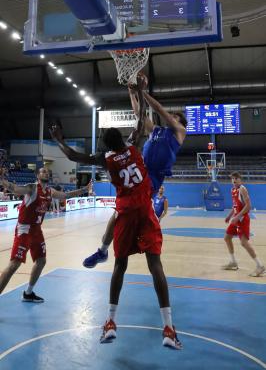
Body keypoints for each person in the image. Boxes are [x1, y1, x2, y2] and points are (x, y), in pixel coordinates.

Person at [51, 124, 182, 349]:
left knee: (120, 266)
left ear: (105, 145)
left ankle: (110, 322)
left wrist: (58, 140)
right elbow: (140, 122)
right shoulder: (132, 146)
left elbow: (73, 155)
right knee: (155, 265)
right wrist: (139, 91)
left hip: (125, 214)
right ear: (121, 138)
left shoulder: (105, 158)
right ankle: (168, 328)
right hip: (145, 211)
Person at [83, 74, 187, 268]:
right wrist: (132, 93)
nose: (171, 117)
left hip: (151, 181)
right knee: (118, 214)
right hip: (139, 176)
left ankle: (125, 250)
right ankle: (104, 250)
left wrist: (142, 91)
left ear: (180, 122)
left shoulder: (180, 132)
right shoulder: (156, 130)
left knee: (124, 216)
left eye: (175, 117)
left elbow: (158, 109)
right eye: (172, 116)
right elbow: (139, 113)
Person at [0, 167, 91, 302]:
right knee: (14, 264)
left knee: (41, 261)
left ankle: (28, 293)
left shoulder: (50, 191)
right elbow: (16, 189)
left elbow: (66, 195)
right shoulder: (32, 188)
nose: (46, 173)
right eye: (42, 171)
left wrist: (84, 190)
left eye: (48, 172)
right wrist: (3, 181)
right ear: (37, 175)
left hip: (36, 230)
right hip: (24, 230)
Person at [222, 172, 265, 277]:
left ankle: (260, 266)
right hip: (236, 218)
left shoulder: (242, 189)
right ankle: (233, 262)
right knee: (227, 237)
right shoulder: (233, 190)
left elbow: (248, 206)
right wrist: (230, 215)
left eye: (236, 178)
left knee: (244, 243)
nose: (234, 180)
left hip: (243, 219)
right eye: (232, 179)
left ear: (240, 180)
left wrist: (237, 217)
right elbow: (235, 205)